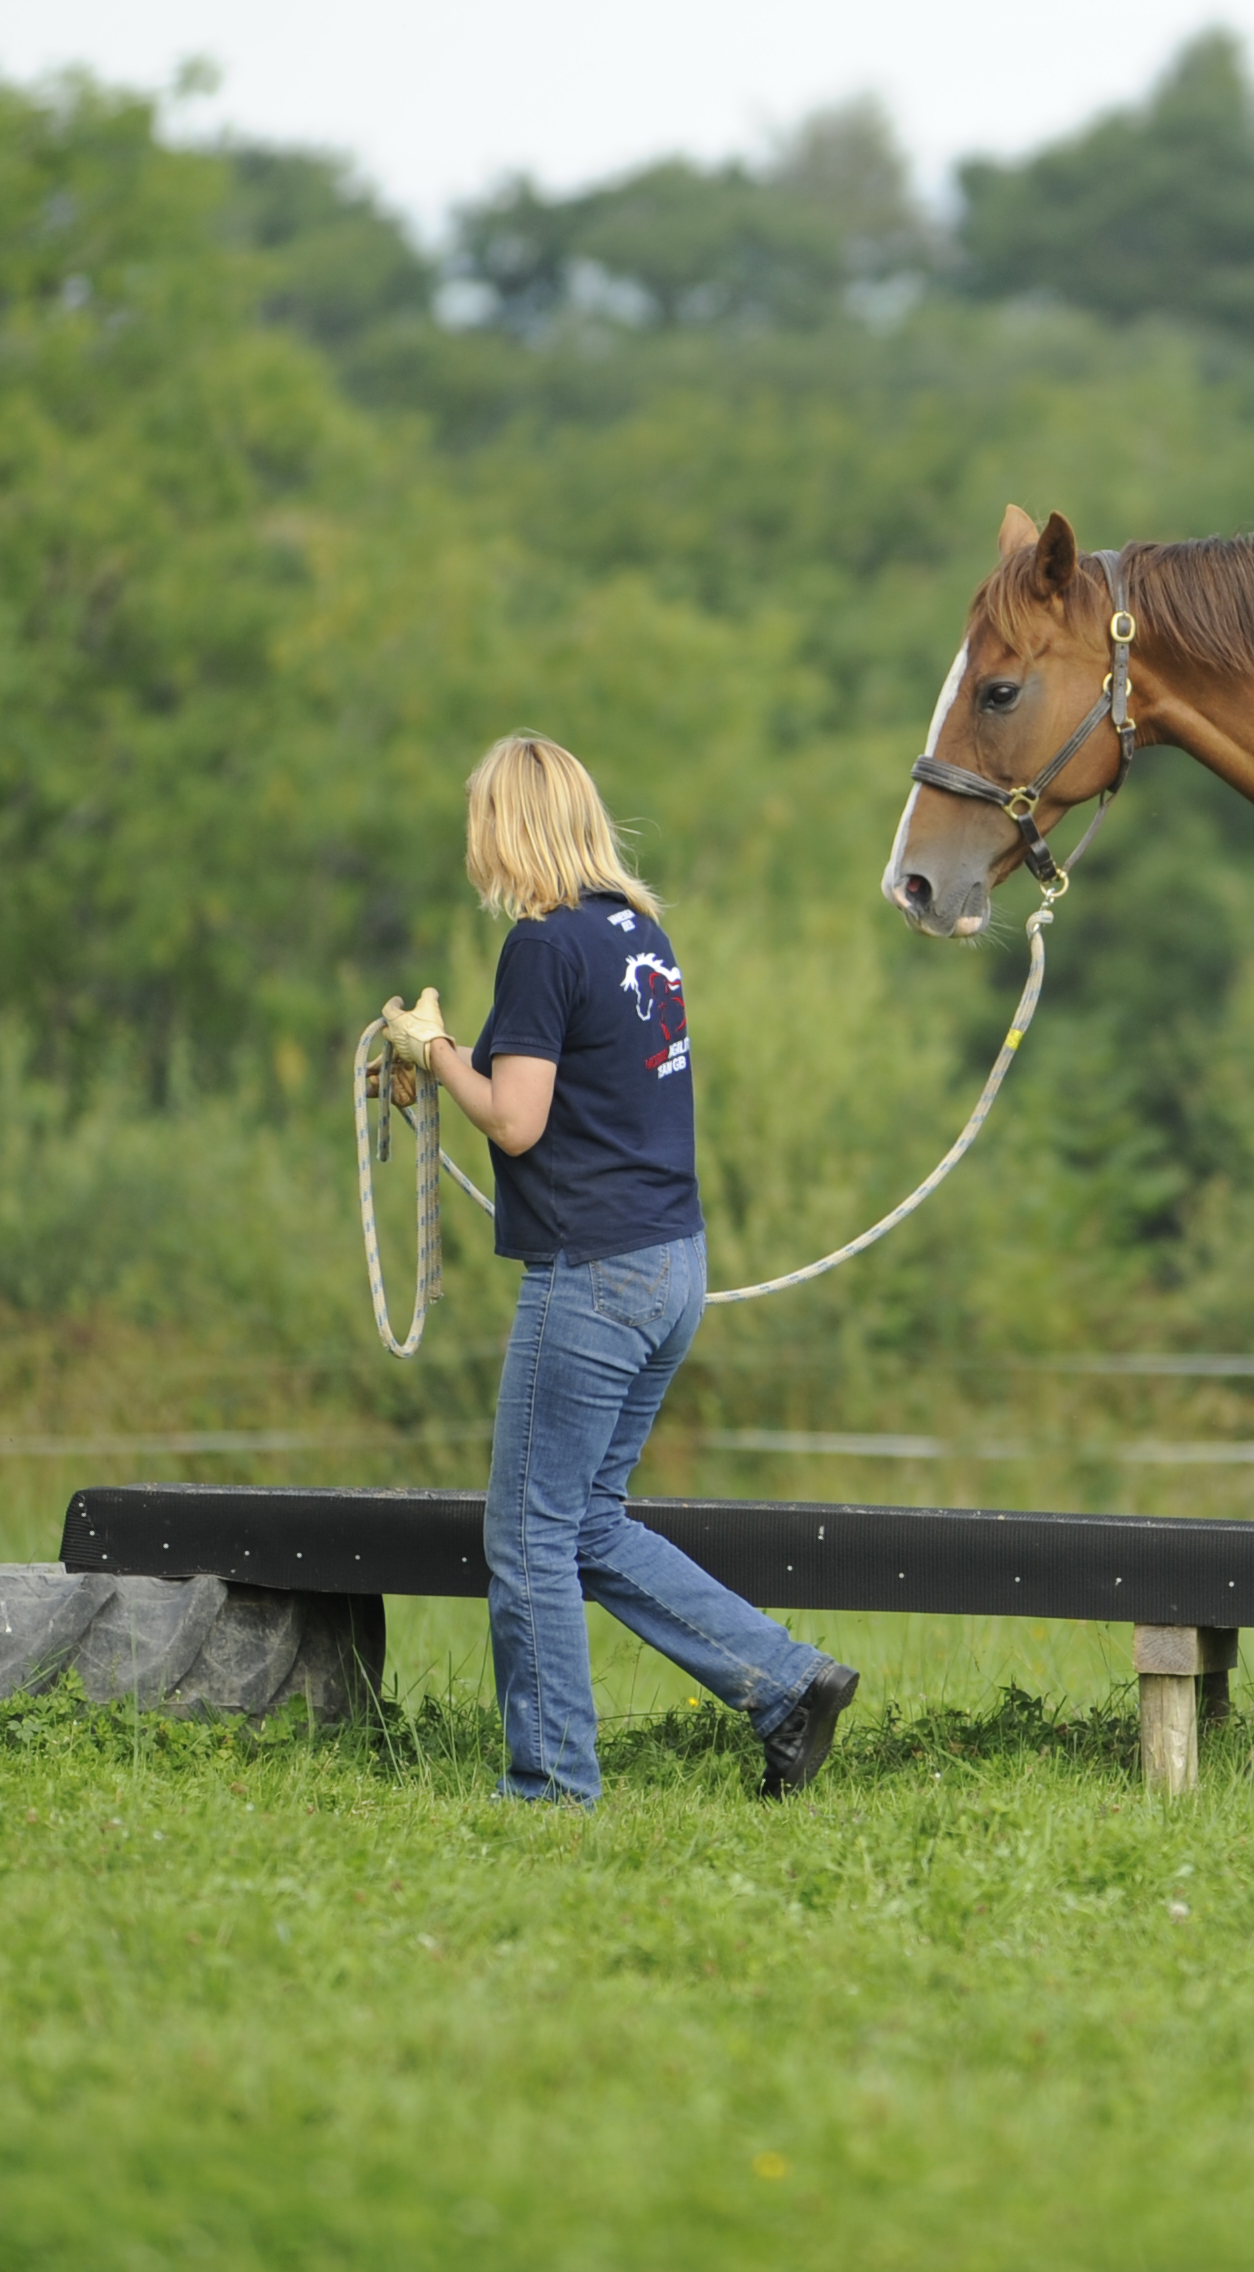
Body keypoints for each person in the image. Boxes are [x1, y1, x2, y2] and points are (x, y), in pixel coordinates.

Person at [384, 733, 855, 1804]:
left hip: (590, 1276)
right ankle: (785, 1685)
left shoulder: (542, 948)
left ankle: (551, 1785)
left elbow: (516, 1120)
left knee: (528, 1536)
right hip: (668, 1265)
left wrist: (434, 1054)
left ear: (508, 827)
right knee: (587, 1521)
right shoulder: (640, 935)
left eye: (478, 824)